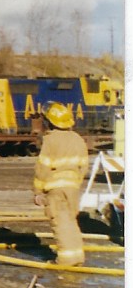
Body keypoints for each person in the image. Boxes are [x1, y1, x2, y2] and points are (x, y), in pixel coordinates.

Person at [33, 102, 88, 267]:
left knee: (60, 221)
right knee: (70, 220)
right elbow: (84, 165)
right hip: (73, 187)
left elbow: (43, 167)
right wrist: (75, 183)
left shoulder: (51, 140)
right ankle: (77, 257)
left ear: (49, 122)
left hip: (55, 187)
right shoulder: (77, 139)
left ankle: (65, 260)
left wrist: (38, 191)